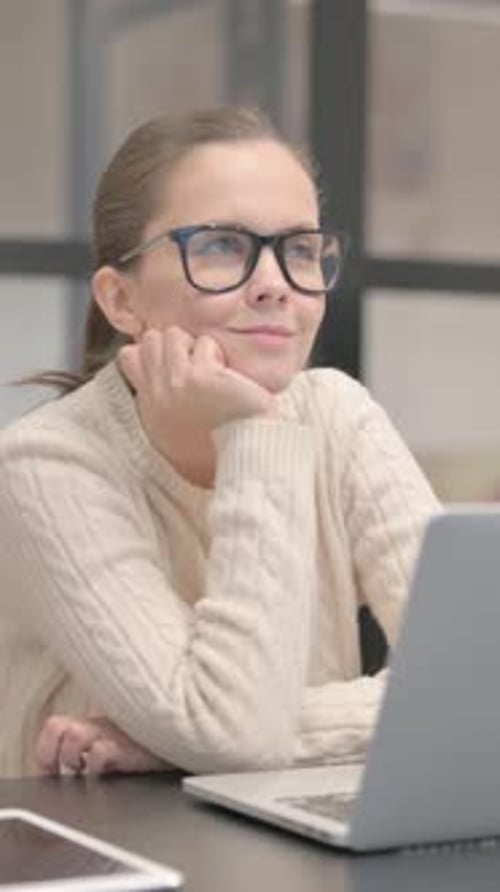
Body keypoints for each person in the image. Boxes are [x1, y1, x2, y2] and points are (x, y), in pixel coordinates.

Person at [0, 106, 439, 779]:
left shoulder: (339, 415)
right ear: (121, 300)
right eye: (221, 246)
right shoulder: (46, 465)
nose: (275, 286)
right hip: (108, 852)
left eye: (298, 250)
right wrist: (256, 436)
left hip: (296, 835)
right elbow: (230, 735)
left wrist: (170, 740)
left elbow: (475, 681)